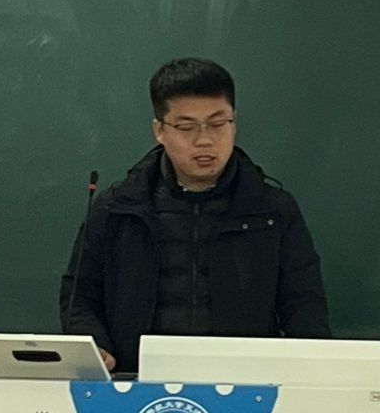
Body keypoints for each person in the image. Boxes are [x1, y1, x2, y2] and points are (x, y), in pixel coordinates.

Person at [60, 58, 331, 372]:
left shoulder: (271, 211)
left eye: (218, 124)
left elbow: (304, 305)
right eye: (186, 127)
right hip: (135, 383)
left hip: (246, 384)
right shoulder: (118, 209)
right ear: (159, 131)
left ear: (234, 124)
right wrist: (96, 347)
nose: (204, 140)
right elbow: (79, 297)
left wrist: (309, 374)